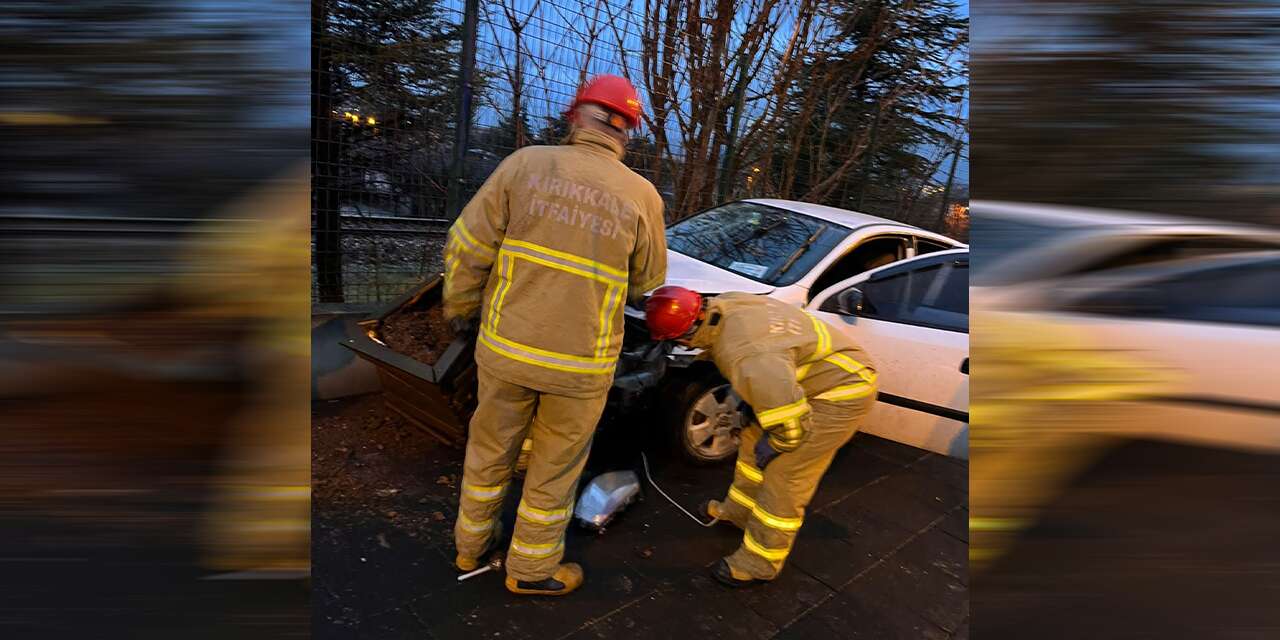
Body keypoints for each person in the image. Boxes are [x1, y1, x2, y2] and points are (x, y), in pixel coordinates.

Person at [444, 74, 667, 596]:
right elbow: (648, 285)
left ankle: (471, 545)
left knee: (490, 449)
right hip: (581, 368)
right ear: (627, 132)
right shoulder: (642, 196)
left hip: (506, 349)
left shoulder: (524, 165)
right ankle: (530, 570)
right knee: (554, 468)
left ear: (575, 115)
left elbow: (467, 247)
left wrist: (461, 310)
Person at [644, 286, 877, 586]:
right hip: (800, 381)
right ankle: (738, 513)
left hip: (840, 393)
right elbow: (770, 377)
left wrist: (779, 443)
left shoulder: (746, 354)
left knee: (785, 475)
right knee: (752, 446)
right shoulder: (726, 302)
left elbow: (789, 420)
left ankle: (760, 562)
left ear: (685, 334)